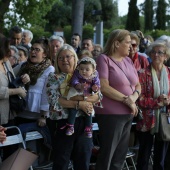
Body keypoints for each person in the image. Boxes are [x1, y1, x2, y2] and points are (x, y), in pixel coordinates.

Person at [46, 44, 101, 170]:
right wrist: (80, 104)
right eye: (60, 58)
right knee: (61, 162)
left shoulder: (88, 74)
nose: (64, 60)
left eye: (68, 57)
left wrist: (83, 99)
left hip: (84, 123)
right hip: (63, 123)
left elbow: (98, 96)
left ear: (75, 59)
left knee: (83, 161)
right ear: (56, 61)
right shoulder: (54, 77)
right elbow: (54, 100)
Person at [94, 29, 141, 170]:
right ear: (116, 43)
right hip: (111, 115)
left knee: (120, 156)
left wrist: (133, 98)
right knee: (107, 155)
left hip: (128, 113)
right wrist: (127, 100)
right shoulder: (104, 59)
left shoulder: (128, 60)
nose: (131, 46)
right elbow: (103, 86)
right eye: (127, 43)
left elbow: (138, 84)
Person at [136, 41, 170, 170]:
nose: (156, 55)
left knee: (160, 158)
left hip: (165, 119)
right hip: (146, 120)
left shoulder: (169, 73)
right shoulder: (142, 73)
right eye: (153, 52)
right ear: (150, 54)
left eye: (160, 52)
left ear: (165, 56)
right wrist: (157, 102)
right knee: (143, 157)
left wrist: (168, 101)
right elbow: (139, 99)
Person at [0, 34, 28, 160]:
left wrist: (22, 79)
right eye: (7, 46)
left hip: (10, 115)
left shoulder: (6, 63)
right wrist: (17, 91)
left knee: (12, 154)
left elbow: (11, 80)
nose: (10, 50)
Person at [65, 57, 100, 138]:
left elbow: (97, 84)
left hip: (87, 93)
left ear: (93, 70)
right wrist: (79, 85)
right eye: (81, 69)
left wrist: (95, 88)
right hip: (76, 92)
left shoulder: (95, 75)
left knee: (88, 109)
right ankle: (70, 125)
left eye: (87, 69)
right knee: (73, 108)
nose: (84, 71)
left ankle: (88, 127)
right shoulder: (77, 73)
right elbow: (74, 81)